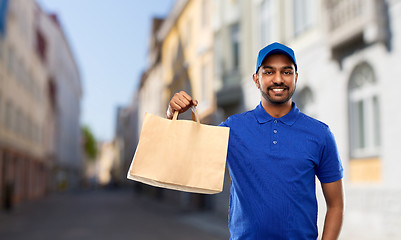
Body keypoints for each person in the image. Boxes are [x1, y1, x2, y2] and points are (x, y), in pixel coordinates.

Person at [167, 42, 344, 240]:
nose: (278, 79)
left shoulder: (319, 133)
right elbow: (186, 154)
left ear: (295, 77)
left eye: (286, 72)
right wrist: (172, 114)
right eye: (268, 72)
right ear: (256, 79)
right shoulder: (233, 127)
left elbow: (336, 205)